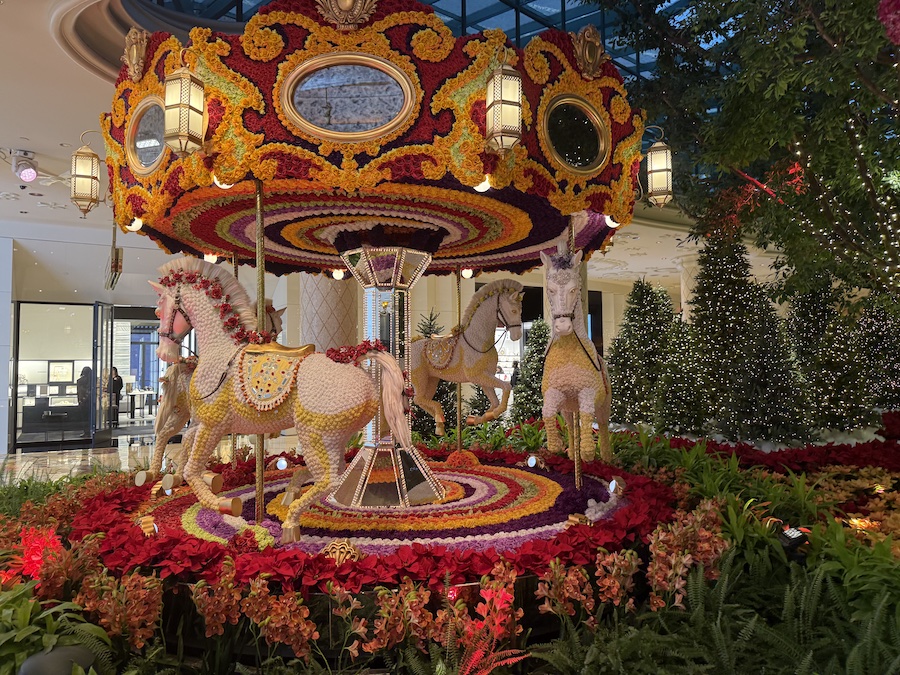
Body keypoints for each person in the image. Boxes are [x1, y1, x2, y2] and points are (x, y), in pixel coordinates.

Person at [76, 366, 92, 437]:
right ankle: (91, 431)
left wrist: (80, 400)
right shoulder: (93, 380)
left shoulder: (79, 381)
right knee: (90, 417)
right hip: (91, 402)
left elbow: (79, 392)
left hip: (83, 402)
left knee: (85, 418)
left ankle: (86, 432)